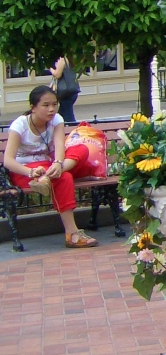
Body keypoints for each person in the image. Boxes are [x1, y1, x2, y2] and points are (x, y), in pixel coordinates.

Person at [3, 86, 99, 247]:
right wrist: (31, 171)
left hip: (51, 166)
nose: (51, 109)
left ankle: (48, 176)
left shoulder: (57, 120)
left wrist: (58, 164)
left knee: (81, 149)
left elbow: (60, 147)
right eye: (46, 105)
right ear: (33, 108)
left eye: (55, 104)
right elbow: (8, 161)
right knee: (64, 177)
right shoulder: (19, 125)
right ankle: (72, 233)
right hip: (27, 172)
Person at [50, 57, 80, 124]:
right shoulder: (71, 59)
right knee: (63, 113)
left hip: (65, 92)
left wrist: (51, 69)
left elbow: (57, 74)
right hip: (72, 90)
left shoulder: (62, 59)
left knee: (68, 115)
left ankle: (72, 127)